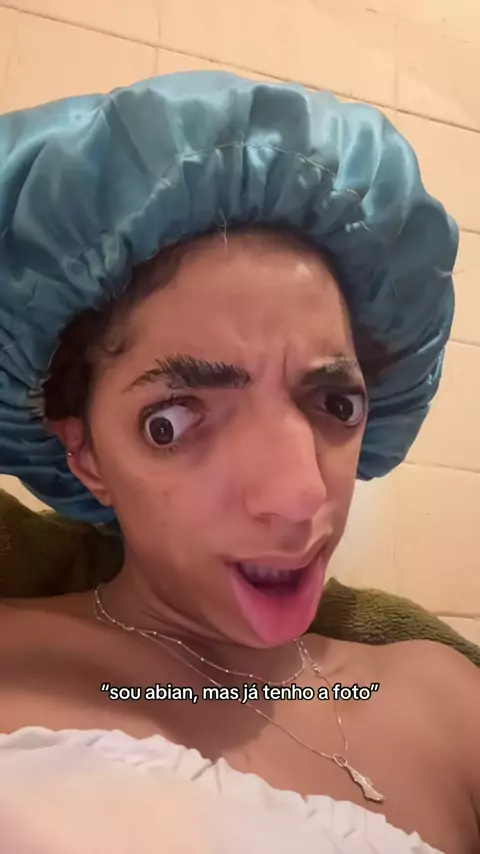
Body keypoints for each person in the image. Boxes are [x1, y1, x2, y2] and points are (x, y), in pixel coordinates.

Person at [0, 71, 478, 854]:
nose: (299, 497)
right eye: (171, 422)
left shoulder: (449, 703)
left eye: (335, 404)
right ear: (84, 453)